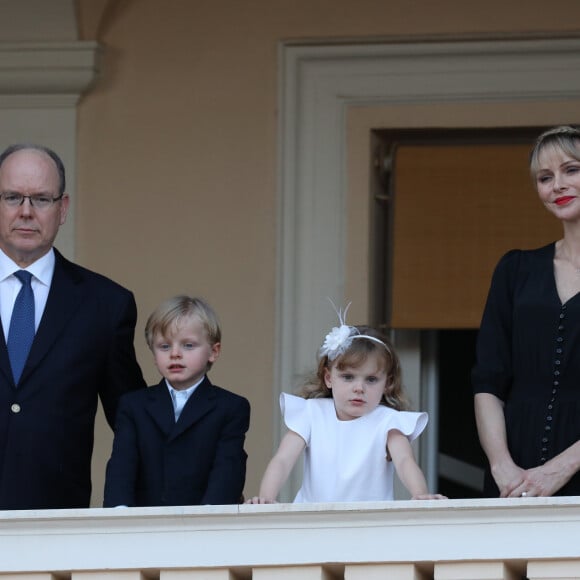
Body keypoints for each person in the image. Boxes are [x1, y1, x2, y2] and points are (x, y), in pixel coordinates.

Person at [0, 143, 146, 510]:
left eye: (42, 200)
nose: (26, 212)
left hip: (55, 526)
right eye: (13, 197)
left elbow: (133, 422)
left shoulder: (106, 305)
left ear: (62, 209)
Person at [473, 125, 580, 498]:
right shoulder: (515, 270)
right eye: (545, 177)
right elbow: (488, 381)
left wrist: (560, 469)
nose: (558, 185)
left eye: (572, 169)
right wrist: (502, 466)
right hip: (514, 479)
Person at [246, 307, 445, 503]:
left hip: (369, 524)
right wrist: (266, 499)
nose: (359, 388)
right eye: (348, 377)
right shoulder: (312, 413)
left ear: (388, 383)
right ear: (328, 378)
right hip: (313, 522)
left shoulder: (389, 421)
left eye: (371, 379)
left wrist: (420, 494)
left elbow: (404, 461)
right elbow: (283, 460)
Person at [103, 295, 250, 507]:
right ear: (154, 354)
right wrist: (119, 513)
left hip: (204, 527)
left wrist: (210, 516)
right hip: (143, 526)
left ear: (213, 351)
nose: (175, 354)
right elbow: (121, 466)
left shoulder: (231, 407)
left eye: (188, 345)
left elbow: (228, 467)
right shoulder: (134, 406)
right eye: (164, 346)